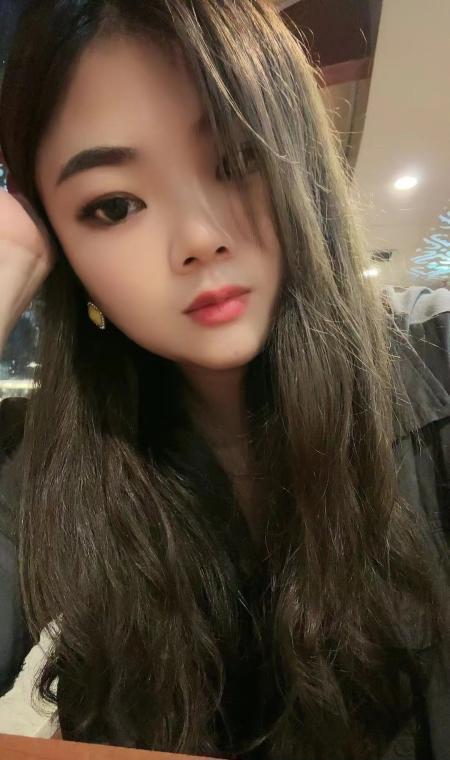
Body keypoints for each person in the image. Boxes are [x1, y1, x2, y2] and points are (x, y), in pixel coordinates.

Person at [0, 1, 448, 758]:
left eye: (238, 160)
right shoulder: (41, 466)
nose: (200, 238)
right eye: (114, 205)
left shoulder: (436, 367)